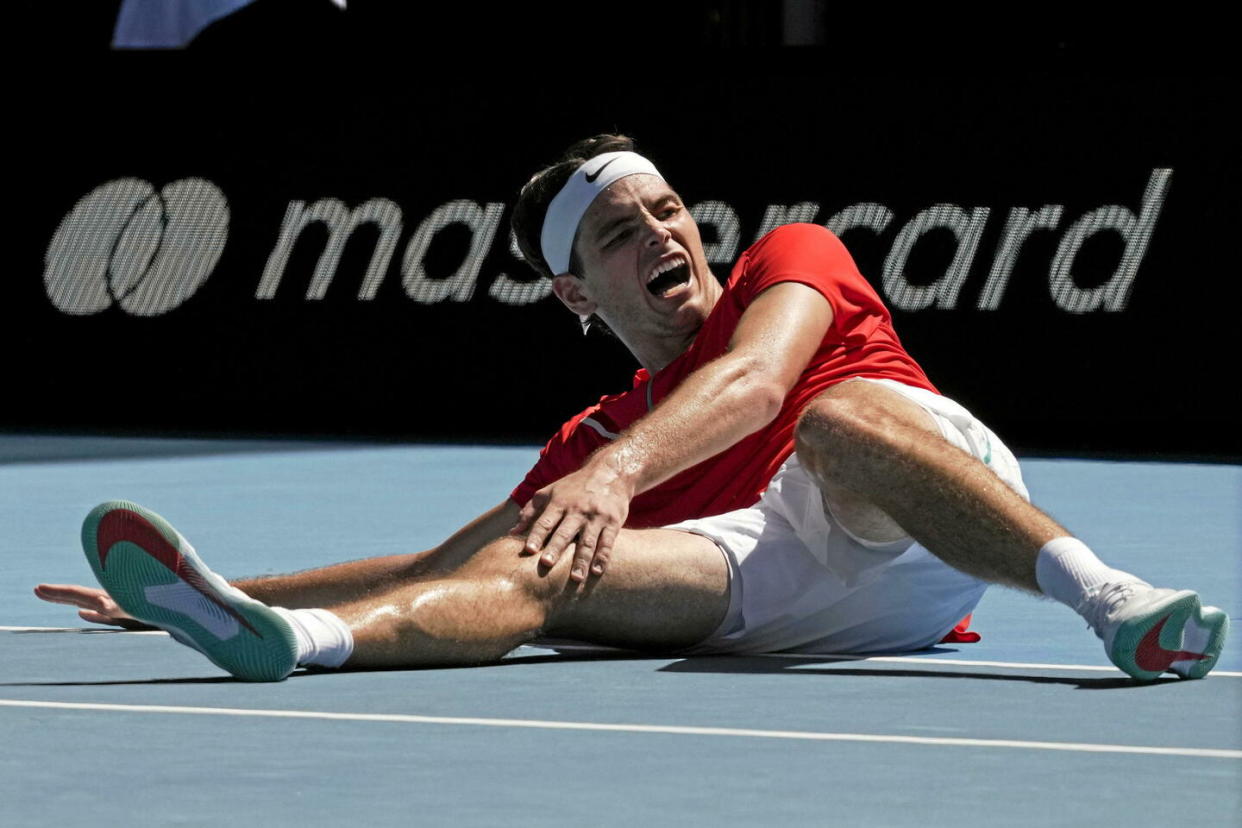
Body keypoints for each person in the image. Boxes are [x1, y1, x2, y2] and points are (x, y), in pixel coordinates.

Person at [37, 135, 1228, 683]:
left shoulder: (788, 262)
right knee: (544, 573)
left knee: (830, 422)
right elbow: (451, 556)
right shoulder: (590, 441)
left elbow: (762, 387)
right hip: (787, 589)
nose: (664, 232)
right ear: (574, 291)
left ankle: (1113, 604)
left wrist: (614, 478)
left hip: (914, 505)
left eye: (665, 209)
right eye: (623, 233)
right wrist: (229, 596)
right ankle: (292, 652)